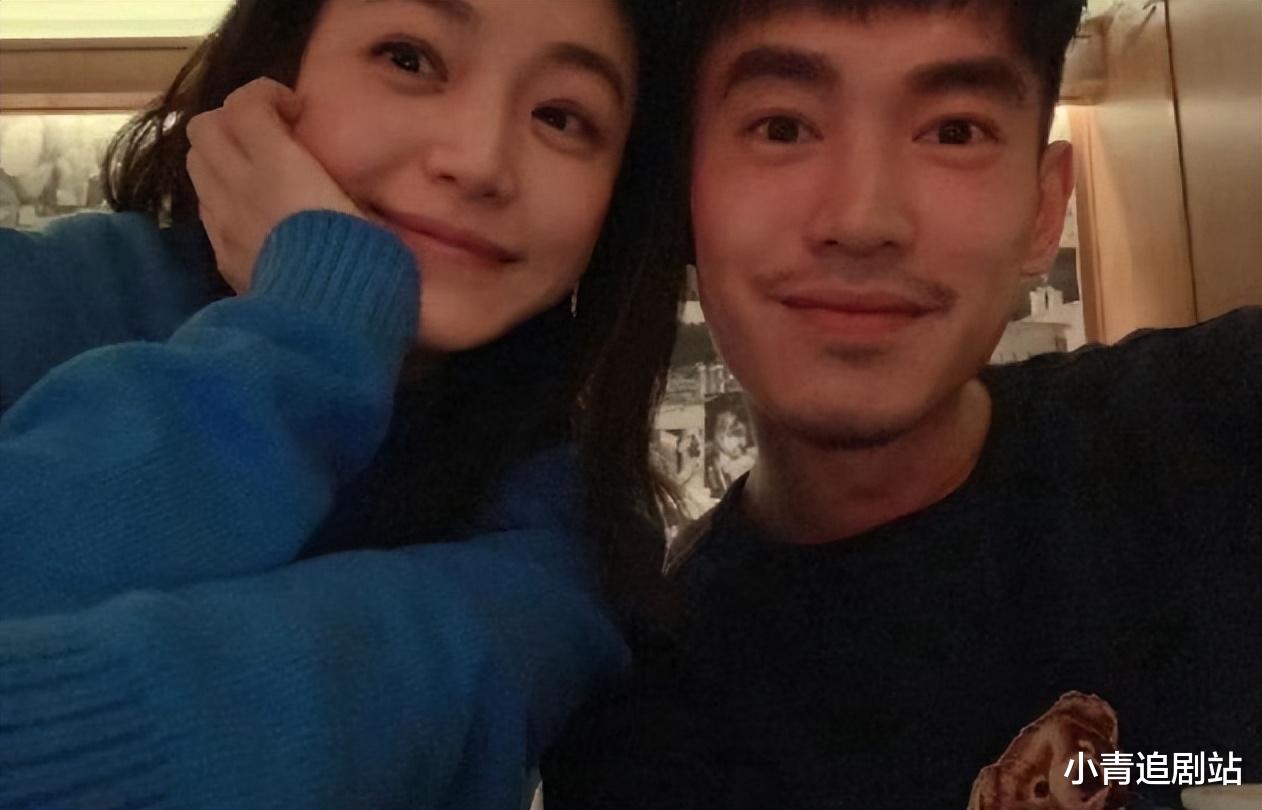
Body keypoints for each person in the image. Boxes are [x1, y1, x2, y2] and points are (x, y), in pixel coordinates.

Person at [542, 1, 1262, 808]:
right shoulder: (634, 720)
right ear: (683, 196)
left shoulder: (1222, 427)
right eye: (782, 127)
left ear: (1044, 206)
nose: (862, 220)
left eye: (953, 132)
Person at [0, 0, 688, 807]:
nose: (477, 160)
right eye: (408, 58)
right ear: (276, 66)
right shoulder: (38, 296)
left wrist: (316, 316)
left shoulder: (569, 535)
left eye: (562, 116)